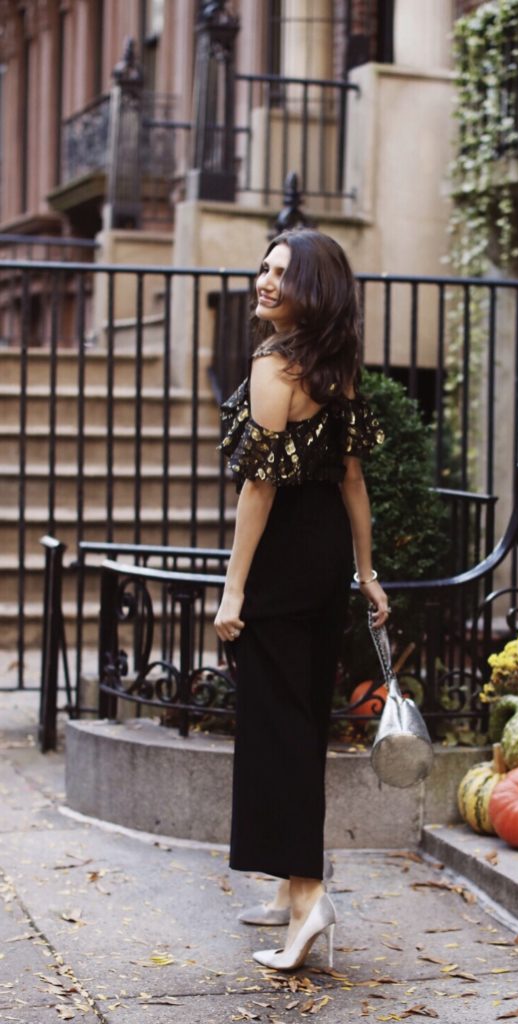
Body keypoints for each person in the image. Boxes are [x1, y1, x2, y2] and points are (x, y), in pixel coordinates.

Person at [214, 228, 387, 971]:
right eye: (264, 266)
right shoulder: (332, 365)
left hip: (283, 562)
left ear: (309, 287)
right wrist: (367, 570)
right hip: (322, 564)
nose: (264, 279)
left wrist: (233, 587)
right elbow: (351, 479)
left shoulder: (274, 363)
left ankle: (310, 898)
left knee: (275, 733)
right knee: (300, 725)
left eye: (281, 272)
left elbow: (260, 485)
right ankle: (291, 892)